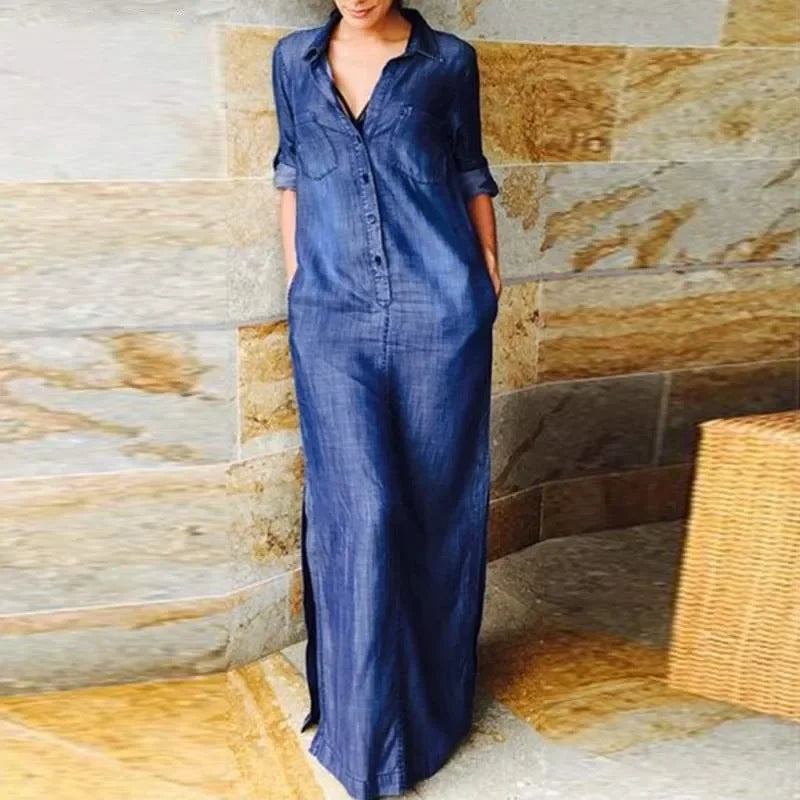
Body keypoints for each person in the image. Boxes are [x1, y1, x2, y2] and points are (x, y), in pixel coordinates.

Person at [270, 2, 501, 797]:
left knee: (436, 509)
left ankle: (429, 715)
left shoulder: (448, 61)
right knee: (358, 511)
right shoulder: (293, 60)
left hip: (441, 310)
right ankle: (364, 736)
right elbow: (291, 172)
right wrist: (298, 281)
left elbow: (469, 172)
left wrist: (488, 278)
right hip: (331, 316)